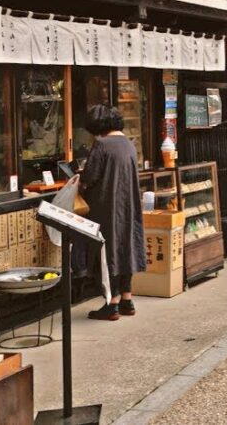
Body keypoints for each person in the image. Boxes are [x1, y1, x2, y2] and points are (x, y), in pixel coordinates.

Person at [81, 104, 145, 321]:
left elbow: (89, 177)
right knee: (126, 248)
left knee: (107, 253)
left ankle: (112, 303)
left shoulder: (102, 144)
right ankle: (127, 299)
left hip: (106, 207)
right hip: (129, 206)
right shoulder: (128, 143)